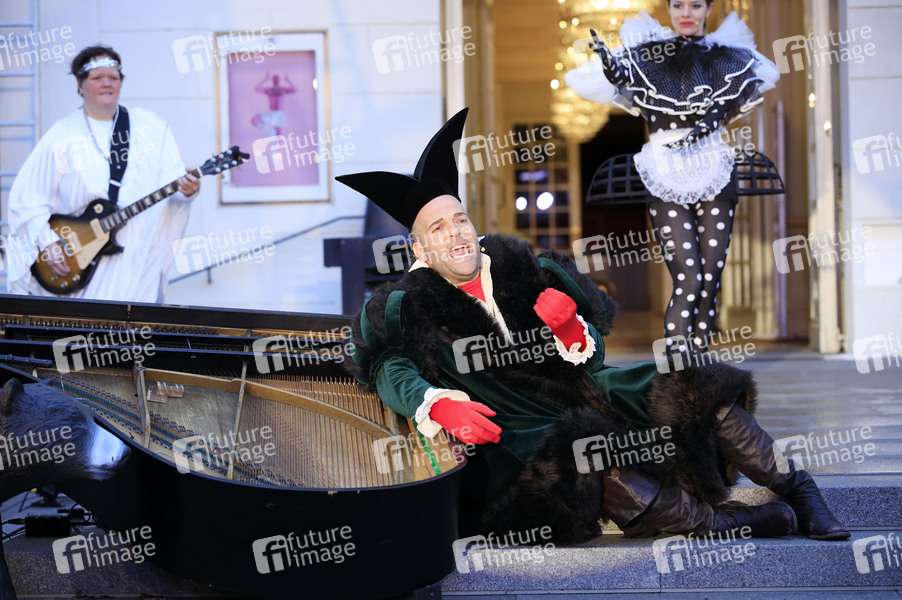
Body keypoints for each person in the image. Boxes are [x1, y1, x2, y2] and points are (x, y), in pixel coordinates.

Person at [337, 108, 849, 544]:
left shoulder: (526, 267)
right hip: (517, 434)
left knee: (689, 383)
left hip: (584, 391)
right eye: (438, 228)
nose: (456, 234)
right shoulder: (404, 304)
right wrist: (436, 403)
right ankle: (720, 522)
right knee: (583, 448)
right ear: (420, 248)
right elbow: (385, 366)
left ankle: (800, 491)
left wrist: (570, 331)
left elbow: (595, 356)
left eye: (460, 219)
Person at [566, 2, 781, 349]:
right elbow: (623, 78)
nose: (686, 13)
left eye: (695, 5)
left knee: (710, 280)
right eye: (678, 4)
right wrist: (608, 62)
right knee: (689, 279)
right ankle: (679, 371)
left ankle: (700, 365)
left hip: (713, 166)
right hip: (665, 169)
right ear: (668, 8)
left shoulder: (727, 56)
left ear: (709, 8)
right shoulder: (649, 54)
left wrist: (703, 129)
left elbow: (723, 110)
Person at [6, 44, 200, 302]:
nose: (107, 84)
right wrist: (48, 243)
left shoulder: (151, 128)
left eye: (113, 77)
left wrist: (188, 191)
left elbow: (173, 184)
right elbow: (28, 199)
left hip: (139, 257)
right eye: (97, 78)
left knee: (136, 322)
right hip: (80, 262)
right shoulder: (62, 135)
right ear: (80, 84)